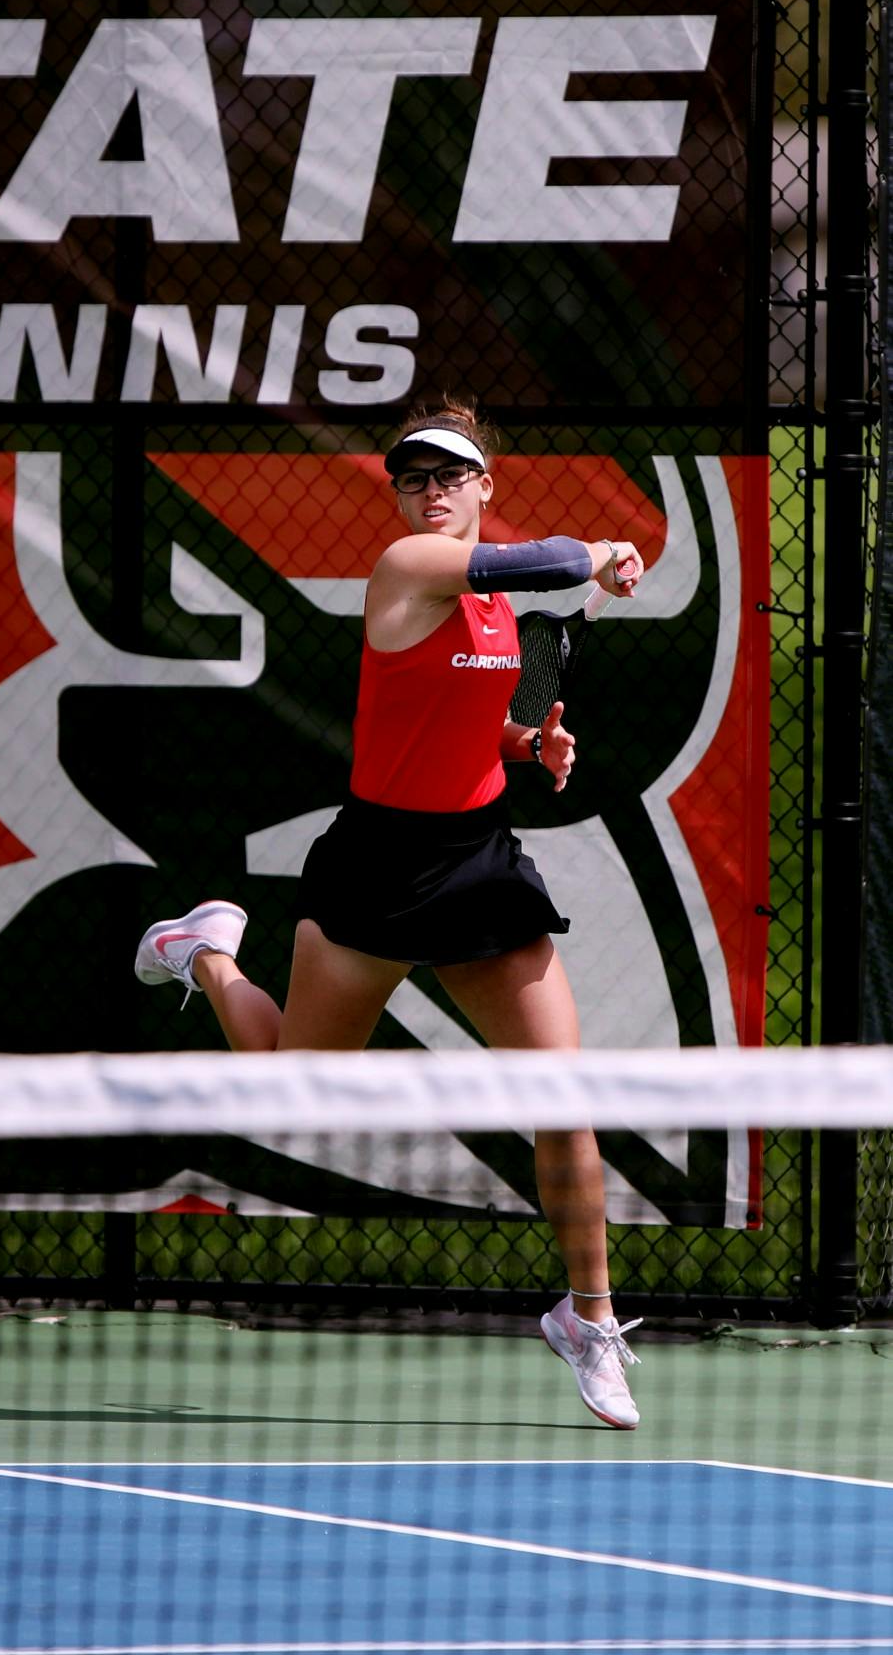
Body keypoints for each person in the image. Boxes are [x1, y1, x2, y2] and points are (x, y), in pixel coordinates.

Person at [134, 401, 646, 1431]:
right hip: (375, 866)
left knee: (564, 1098)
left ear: (484, 481)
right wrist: (597, 551)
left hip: (479, 864)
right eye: (413, 475)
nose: (432, 488)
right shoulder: (409, 566)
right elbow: (544, 558)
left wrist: (517, 746)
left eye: (451, 472)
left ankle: (588, 1314)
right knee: (294, 1092)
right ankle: (208, 955)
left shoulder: (496, 610)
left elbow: (447, 709)